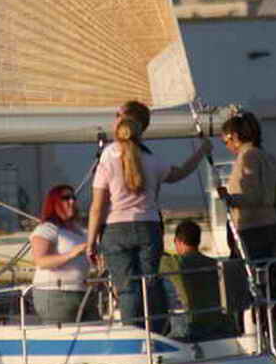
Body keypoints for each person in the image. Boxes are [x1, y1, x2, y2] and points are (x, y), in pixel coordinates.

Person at [87, 100, 211, 331]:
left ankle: (134, 336)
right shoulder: (152, 159)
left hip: (116, 229)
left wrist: (90, 242)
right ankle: (155, 333)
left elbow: (97, 206)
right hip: (149, 228)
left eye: (117, 115)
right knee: (150, 284)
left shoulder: (108, 155)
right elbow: (179, 173)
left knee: (128, 289)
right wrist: (202, 152)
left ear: (123, 122)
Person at [216, 111, 276, 324]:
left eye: (225, 141)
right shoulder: (266, 156)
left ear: (234, 136)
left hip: (251, 229)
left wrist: (229, 198)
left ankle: (250, 324)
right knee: (270, 279)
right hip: (270, 226)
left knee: (248, 281)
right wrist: (273, 212)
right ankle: (274, 321)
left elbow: (254, 195)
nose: (227, 146)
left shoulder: (247, 157)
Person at [159, 219, 237, 341]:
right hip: (224, 326)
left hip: (197, 328)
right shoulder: (216, 265)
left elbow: (153, 258)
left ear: (178, 241)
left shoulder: (176, 263)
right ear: (198, 241)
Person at [30, 185, 96, 323]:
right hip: (56, 293)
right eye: (66, 198)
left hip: (83, 292)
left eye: (73, 198)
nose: (72, 201)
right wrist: (71, 254)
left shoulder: (80, 231)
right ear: (54, 202)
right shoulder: (46, 229)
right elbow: (41, 261)